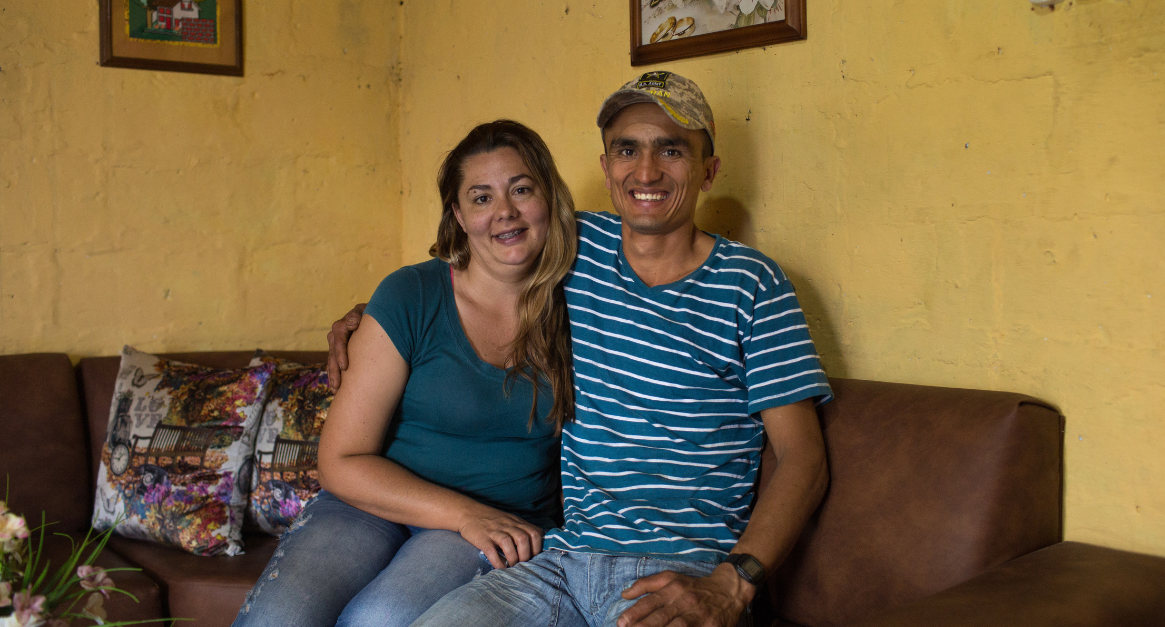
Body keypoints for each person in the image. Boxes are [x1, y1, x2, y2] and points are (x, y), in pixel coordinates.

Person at [327, 71, 832, 627]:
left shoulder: (752, 283)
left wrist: (735, 583)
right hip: (561, 562)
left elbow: (803, 457)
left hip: (679, 571)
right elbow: (474, 272)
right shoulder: (573, 250)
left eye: (672, 150)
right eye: (627, 149)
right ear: (606, 169)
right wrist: (367, 319)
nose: (646, 171)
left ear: (709, 170)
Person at [232, 119, 578, 627]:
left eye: (521, 189)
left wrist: (473, 519)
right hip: (372, 504)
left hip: (496, 523)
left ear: (549, 196)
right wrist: (463, 513)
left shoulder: (589, 300)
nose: (504, 212)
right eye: (481, 198)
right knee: (278, 618)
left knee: (379, 619)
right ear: (458, 214)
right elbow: (342, 460)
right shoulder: (411, 294)